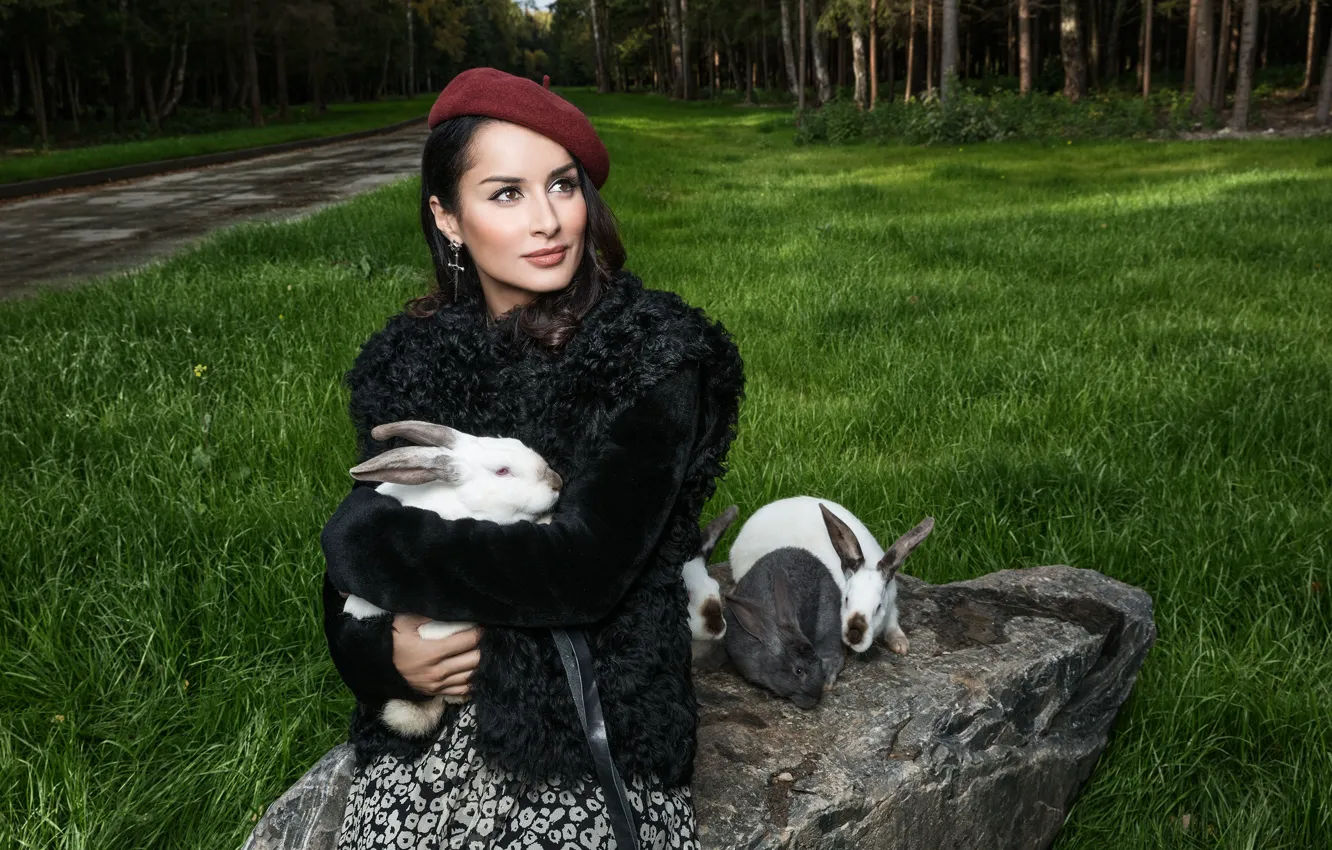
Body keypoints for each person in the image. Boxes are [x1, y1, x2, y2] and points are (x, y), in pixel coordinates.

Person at [318, 67, 745, 849]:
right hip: (433, 725)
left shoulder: (649, 356)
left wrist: (361, 542)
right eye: (506, 193)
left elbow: (582, 569)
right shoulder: (408, 362)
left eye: (562, 186)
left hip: (590, 731)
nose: (548, 220)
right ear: (448, 218)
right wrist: (377, 655)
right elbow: (363, 558)